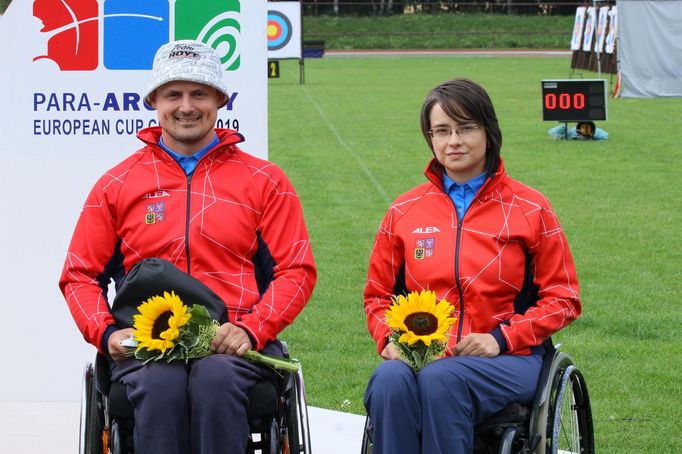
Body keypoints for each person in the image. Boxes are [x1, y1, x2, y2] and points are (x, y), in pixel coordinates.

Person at [59, 40, 317, 454]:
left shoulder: (266, 181)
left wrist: (252, 328)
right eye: (173, 94)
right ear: (153, 101)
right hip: (146, 348)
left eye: (199, 93)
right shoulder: (117, 184)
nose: (186, 106)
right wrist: (106, 333)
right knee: (161, 384)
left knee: (214, 379)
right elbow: (79, 274)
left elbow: (296, 271)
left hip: (234, 345)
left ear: (220, 99)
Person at [363, 78, 581, 453]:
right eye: (442, 131)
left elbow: (564, 299)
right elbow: (378, 296)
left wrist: (500, 339)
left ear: (488, 131)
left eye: (465, 128)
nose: (454, 141)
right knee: (388, 381)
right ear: (430, 137)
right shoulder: (403, 211)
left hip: (513, 358)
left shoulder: (530, 208)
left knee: (441, 378)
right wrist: (388, 340)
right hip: (426, 354)